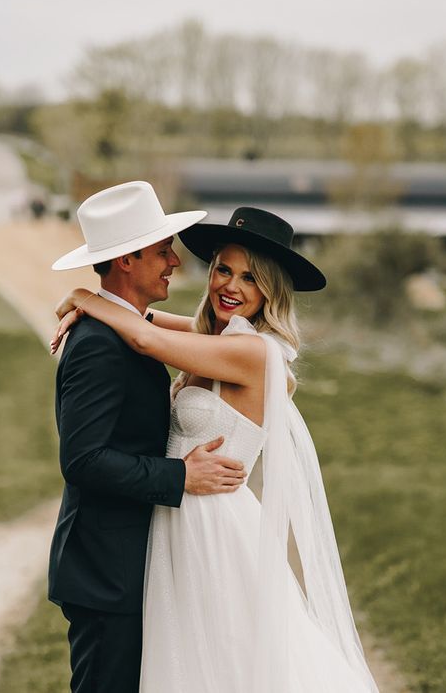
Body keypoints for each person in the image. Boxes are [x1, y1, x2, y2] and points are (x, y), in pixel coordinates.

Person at [52, 207, 380, 693]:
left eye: (250, 277)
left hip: (214, 526)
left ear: (271, 290)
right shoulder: (215, 338)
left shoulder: (255, 353)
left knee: (223, 663)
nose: (231, 284)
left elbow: (144, 337)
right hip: (176, 522)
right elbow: (148, 320)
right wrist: (101, 306)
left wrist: (84, 296)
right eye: (223, 269)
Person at [48, 181, 247, 693]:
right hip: (106, 573)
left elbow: (192, 338)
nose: (175, 262)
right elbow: (83, 460)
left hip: (134, 566)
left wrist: (89, 298)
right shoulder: (98, 344)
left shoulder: (125, 329)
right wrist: (182, 475)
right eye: (163, 251)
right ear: (127, 261)